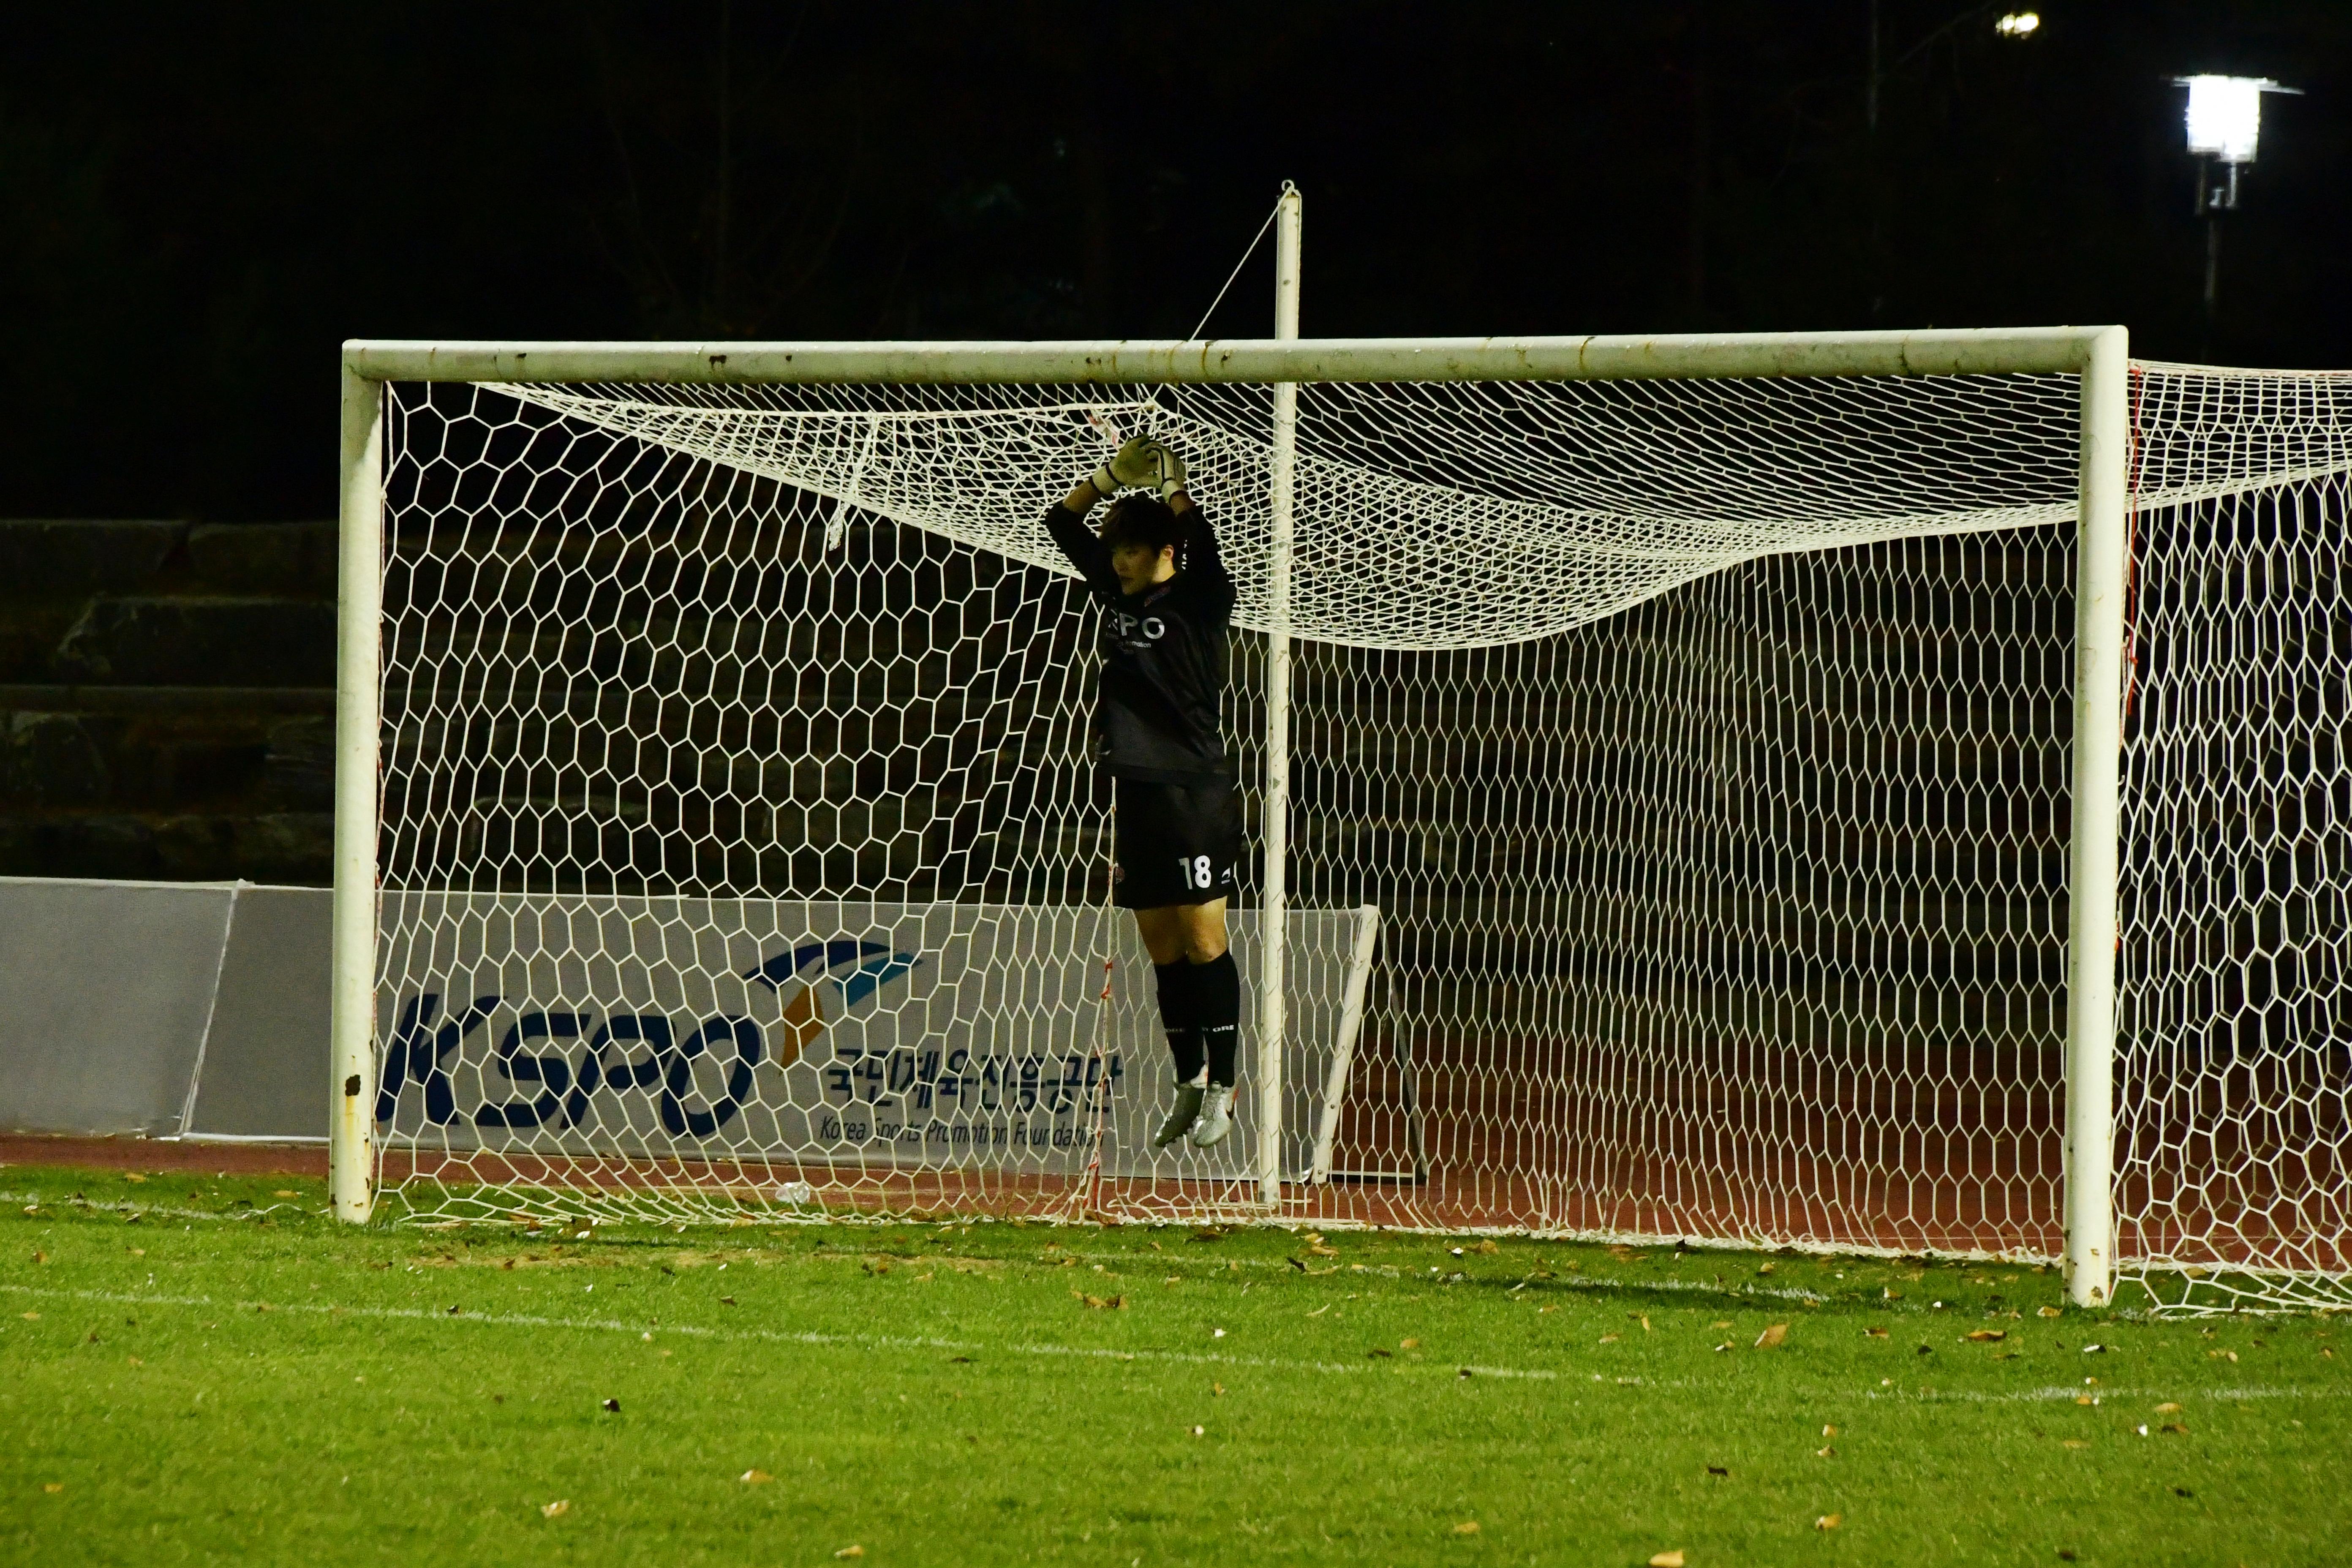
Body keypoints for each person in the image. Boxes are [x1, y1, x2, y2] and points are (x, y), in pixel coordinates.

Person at [1042, 435, 1244, 1149]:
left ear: (1164, 552)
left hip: (1195, 792)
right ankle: (1187, 1079)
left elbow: (1201, 540)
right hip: (1136, 793)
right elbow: (1060, 525)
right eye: (1117, 550)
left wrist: (1172, 488)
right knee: (1160, 946)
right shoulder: (1113, 587)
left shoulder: (1200, 595)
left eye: (1134, 549)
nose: (1120, 560)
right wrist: (1105, 480)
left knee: (1202, 940)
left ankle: (1225, 1085)